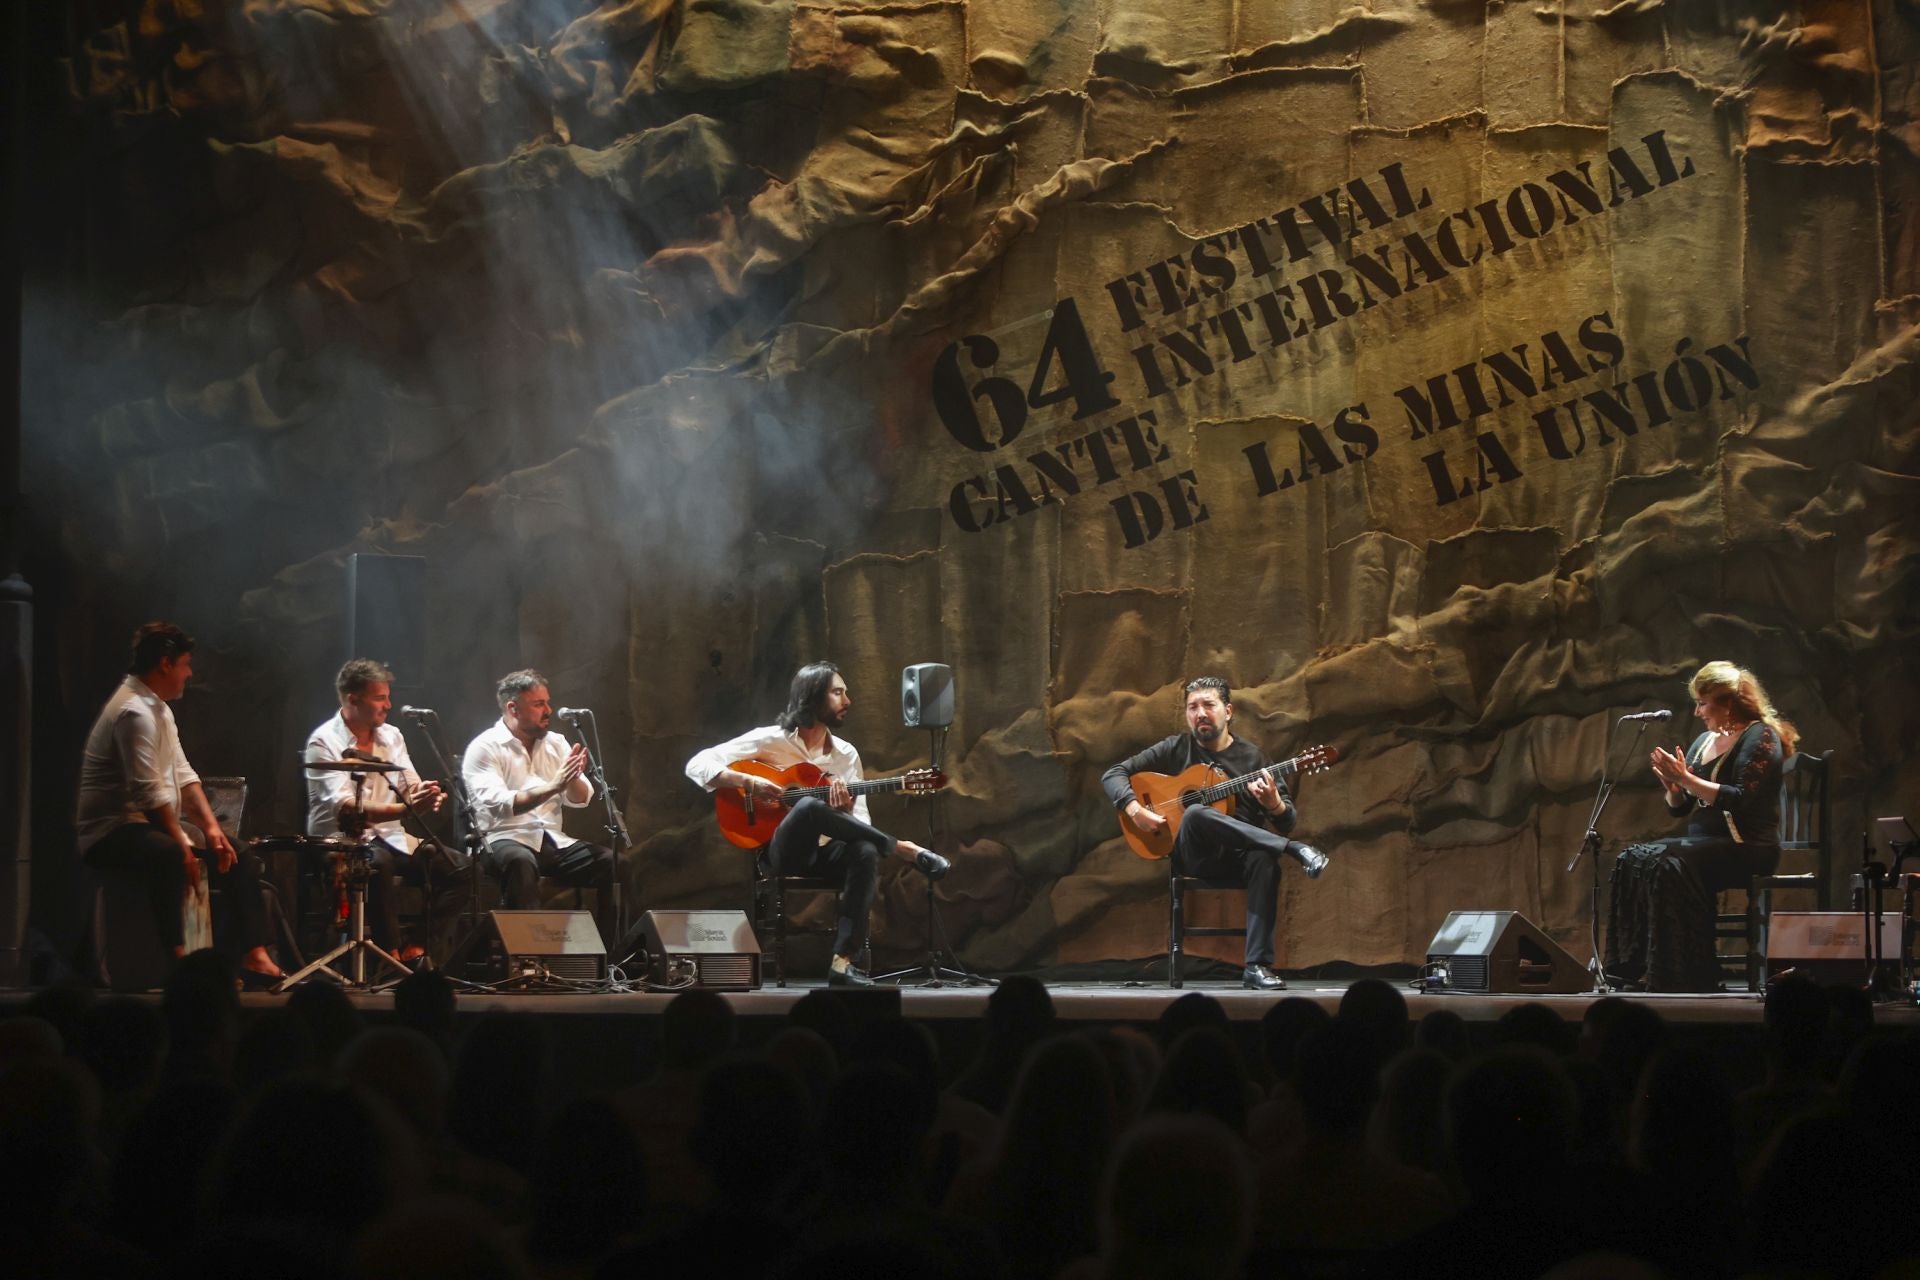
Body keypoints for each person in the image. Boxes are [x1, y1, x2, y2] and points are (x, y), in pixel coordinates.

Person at [685, 661, 946, 987]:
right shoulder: (769, 740)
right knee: (807, 805)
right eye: (838, 692)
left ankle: (842, 963)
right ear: (813, 697)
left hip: (826, 852)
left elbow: (861, 821)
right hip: (781, 851)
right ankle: (901, 848)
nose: (847, 700)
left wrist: (847, 809)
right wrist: (749, 782)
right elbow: (697, 765)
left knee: (865, 849)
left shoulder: (845, 754)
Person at [76, 622, 283, 984]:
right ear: (165, 664)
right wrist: (184, 847)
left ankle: (254, 954)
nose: (190, 673)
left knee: (238, 854)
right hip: (110, 831)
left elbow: (184, 776)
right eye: (186, 664)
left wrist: (212, 830)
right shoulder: (134, 712)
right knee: (170, 855)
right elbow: (147, 794)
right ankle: (180, 965)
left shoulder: (159, 708)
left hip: (145, 824)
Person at [1102, 676, 1327, 991]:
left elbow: (1286, 819)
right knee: (1194, 813)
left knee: (1264, 858)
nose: (1200, 713)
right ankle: (1294, 850)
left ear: (1228, 711)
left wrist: (1274, 803)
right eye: (1193, 707)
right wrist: (1135, 810)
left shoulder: (1253, 759)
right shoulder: (1176, 748)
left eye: (1208, 705)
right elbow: (1114, 774)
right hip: (1196, 856)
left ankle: (1257, 967)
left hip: (1240, 858)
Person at [1605, 660, 1797, 992]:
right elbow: (1681, 811)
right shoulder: (1705, 741)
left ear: (1728, 702)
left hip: (1748, 847)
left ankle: (1686, 972)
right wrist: (1674, 789)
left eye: (1703, 703)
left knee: (1669, 863)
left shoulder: (1760, 735)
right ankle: (1635, 966)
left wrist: (1688, 779)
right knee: (1634, 859)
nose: (1697, 712)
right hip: (1705, 848)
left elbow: (1740, 798)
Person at [305, 658, 469, 964]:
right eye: (380, 698)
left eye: (387, 697)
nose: (388, 705)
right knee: (376, 863)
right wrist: (405, 808)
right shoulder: (323, 740)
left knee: (461, 869)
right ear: (353, 699)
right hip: (339, 842)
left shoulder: (392, 736)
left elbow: (409, 785)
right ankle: (389, 954)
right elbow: (347, 810)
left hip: (391, 837)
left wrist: (426, 794)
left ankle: (416, 948)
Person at [461, 669, 617, 941]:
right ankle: (527, 958)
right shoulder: (485, 747)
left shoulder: (555, 743)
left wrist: (571, 779)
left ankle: (612, 956)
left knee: (613, 863)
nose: (549, 710)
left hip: (550, 839)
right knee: (521, 861)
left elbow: (581, 799)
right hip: (499, 839)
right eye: (538, 704)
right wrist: (553, 785)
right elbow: (503, 806)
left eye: (547, 702)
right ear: (513, 708)